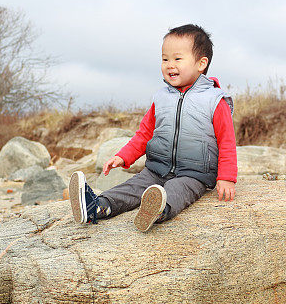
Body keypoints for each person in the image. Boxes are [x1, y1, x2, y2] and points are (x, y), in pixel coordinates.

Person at [69, 23, 238, 232]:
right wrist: (123, 156)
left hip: (194, 174)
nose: (169, 65)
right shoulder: (161, 98)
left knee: (176, 190)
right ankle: (97, 207)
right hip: (157, 169)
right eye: (165, 59)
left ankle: (158, 210)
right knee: (132, 187)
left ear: (201, 63)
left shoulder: (215, 100)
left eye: (177, 59)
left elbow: (227, 142)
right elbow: (144, 134)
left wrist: (226, 178)